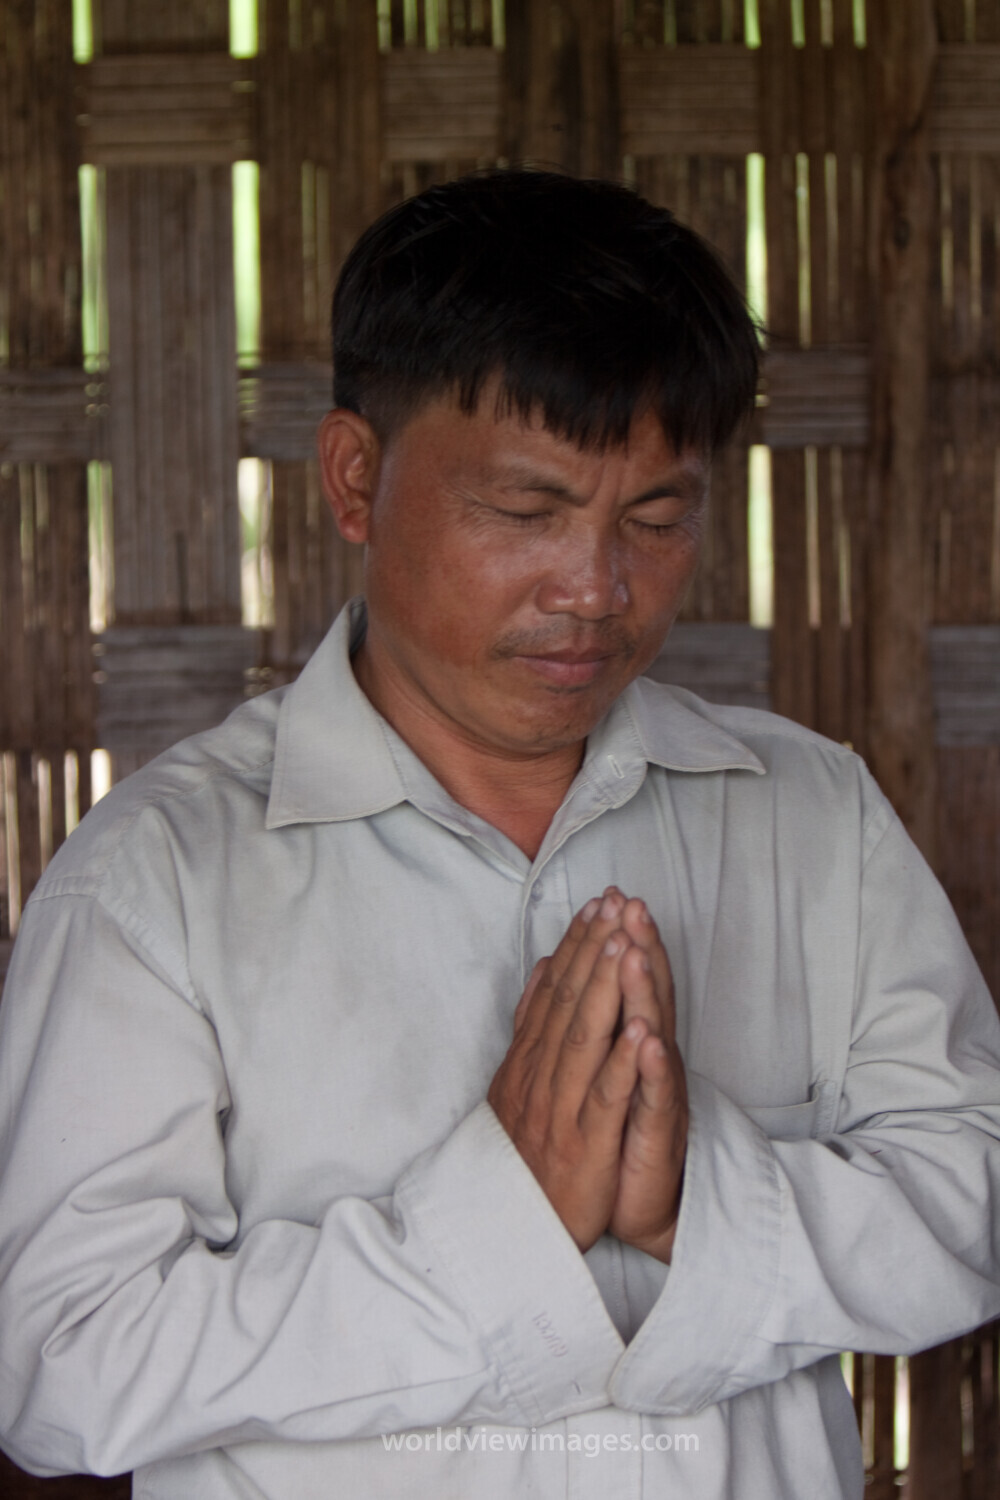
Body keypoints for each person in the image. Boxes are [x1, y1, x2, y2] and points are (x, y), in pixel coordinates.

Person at [0, 170, 998, 1500]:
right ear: (356, 478)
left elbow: (971, 1197)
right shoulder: (157, 882)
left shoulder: (807, 816)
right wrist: (498, 1224)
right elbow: (57, 1365)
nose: (595, 588)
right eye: (527, 512)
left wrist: (696, 1201)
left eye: (657, 516)